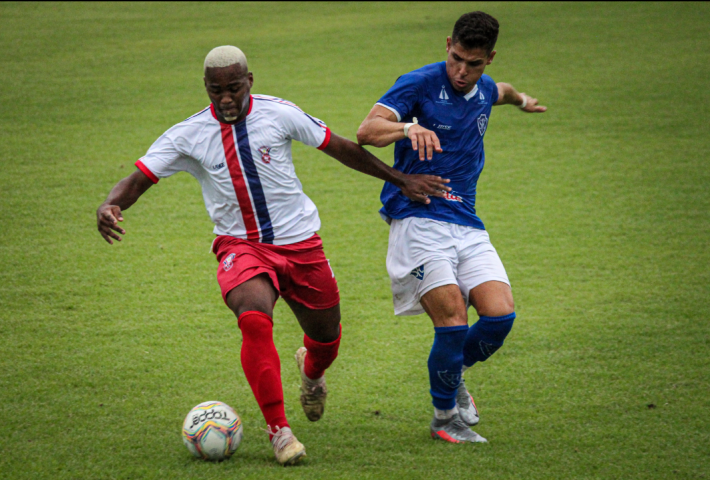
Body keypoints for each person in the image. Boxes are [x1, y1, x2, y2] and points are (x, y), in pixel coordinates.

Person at [96, 46, 449, 465]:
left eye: (233, 88)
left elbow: (339, 147)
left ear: (249, 81)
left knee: (326, 340)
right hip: (240, 246)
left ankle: (312, 372)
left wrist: (400, 178)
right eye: (215, 91)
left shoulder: (279, 113)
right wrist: (111, 204)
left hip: (300, 244)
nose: (225, 99)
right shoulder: (186, 134)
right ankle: (279, 431)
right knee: (253, 318)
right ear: (205, 89)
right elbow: (139, 179)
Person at [357, 11, 546, 444]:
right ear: (447, 45)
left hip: (467, 223)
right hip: (417, 218)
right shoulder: (420, 83)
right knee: (453, 323)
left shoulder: (483, 90)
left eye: (474, 63)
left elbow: (505, 91)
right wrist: (408, 127)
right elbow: (366, 130)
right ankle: (445, 418)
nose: (462, 72)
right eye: (457, 59)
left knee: (500, 316)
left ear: (489, 59)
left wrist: (523, 101)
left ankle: (453, 371)